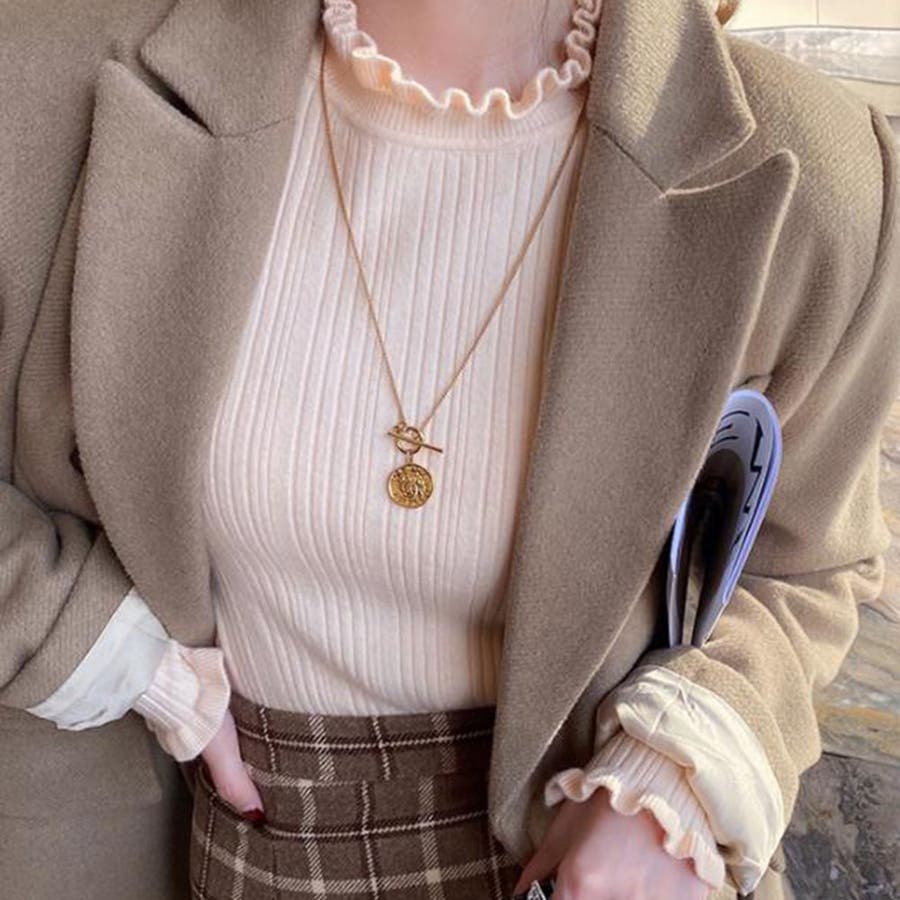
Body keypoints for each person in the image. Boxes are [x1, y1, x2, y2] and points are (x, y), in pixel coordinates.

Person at [1, 0, 898, 897]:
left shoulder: (822, 173)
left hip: (587, 864)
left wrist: (674, 775)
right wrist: (91, 644)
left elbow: (803, 570)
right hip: (232, 841)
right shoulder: (50, 71)